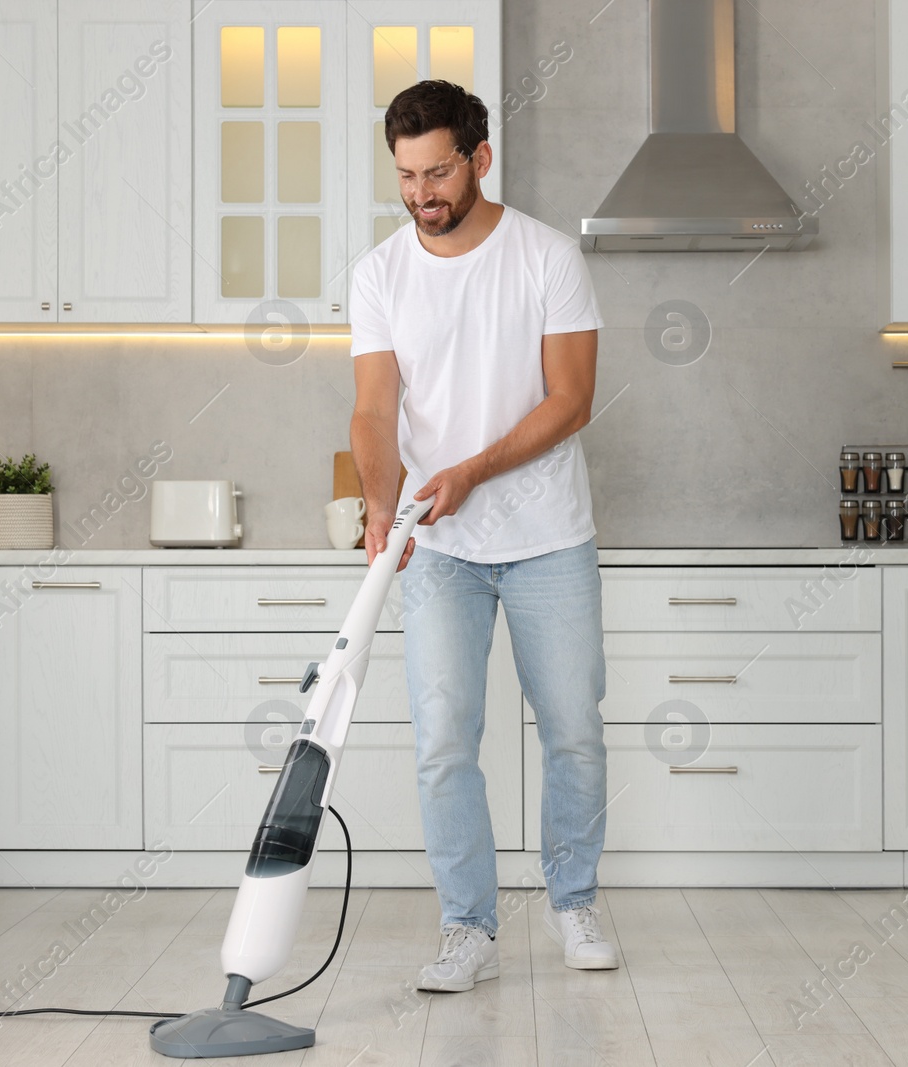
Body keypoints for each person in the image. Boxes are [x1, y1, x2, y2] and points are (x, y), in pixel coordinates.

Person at [348, 79, 617, 994]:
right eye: (405, 175)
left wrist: (471, 471)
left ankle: (574, 901)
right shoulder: (380, 273)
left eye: (436, 172)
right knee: (443, 742)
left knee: (573, 730)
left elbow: (571, 401)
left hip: (546, 535)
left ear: (480, 159)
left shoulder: (546, 257)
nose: (421, 192)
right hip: (439, 550)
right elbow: (374, 410)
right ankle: (467, 926)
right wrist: (382, 505)